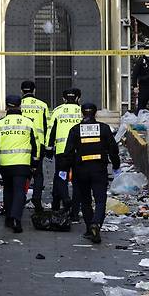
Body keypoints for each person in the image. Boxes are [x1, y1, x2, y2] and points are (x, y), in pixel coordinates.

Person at [62, 102, 120, 243]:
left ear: (82, 113)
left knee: (85, 200)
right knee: (100, 200)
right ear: (96, 113)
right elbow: (113, 149)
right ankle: (96, 224)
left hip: (81, 170)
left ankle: (89, 229)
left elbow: (68, 152)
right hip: (99, 169)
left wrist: (65, 170)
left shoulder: (75, 130)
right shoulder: (104, 128)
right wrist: (116, 165)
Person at [0, 95, 39, 233]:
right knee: (19, 191)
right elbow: (36, 145)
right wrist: (35, 162)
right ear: (20, 106)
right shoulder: (28, 123)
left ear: (6, 107)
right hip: (22, 163)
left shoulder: (0, 124)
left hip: (6, 164)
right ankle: (16, 218)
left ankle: (9, 218)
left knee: (8, 191)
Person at [45, 88, 82, 214]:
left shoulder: (57, 111)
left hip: (62, 152)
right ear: (78, 98)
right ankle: (75, 212)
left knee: (61, 177)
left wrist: (49, 148)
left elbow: (51, 130)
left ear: (63, 99)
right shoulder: (83, 111)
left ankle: (62, 200)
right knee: (78, 182)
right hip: (79, 152)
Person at [20, 81, 49, 212]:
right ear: (34, 91)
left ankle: (20, 198)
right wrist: (48, 146)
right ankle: (36, 197)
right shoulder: (42, 105)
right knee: (38, 173)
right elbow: (47, 127)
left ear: (22, 91)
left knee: (22, 172)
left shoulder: (17, 104)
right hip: (38, 144)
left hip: (21, 143)